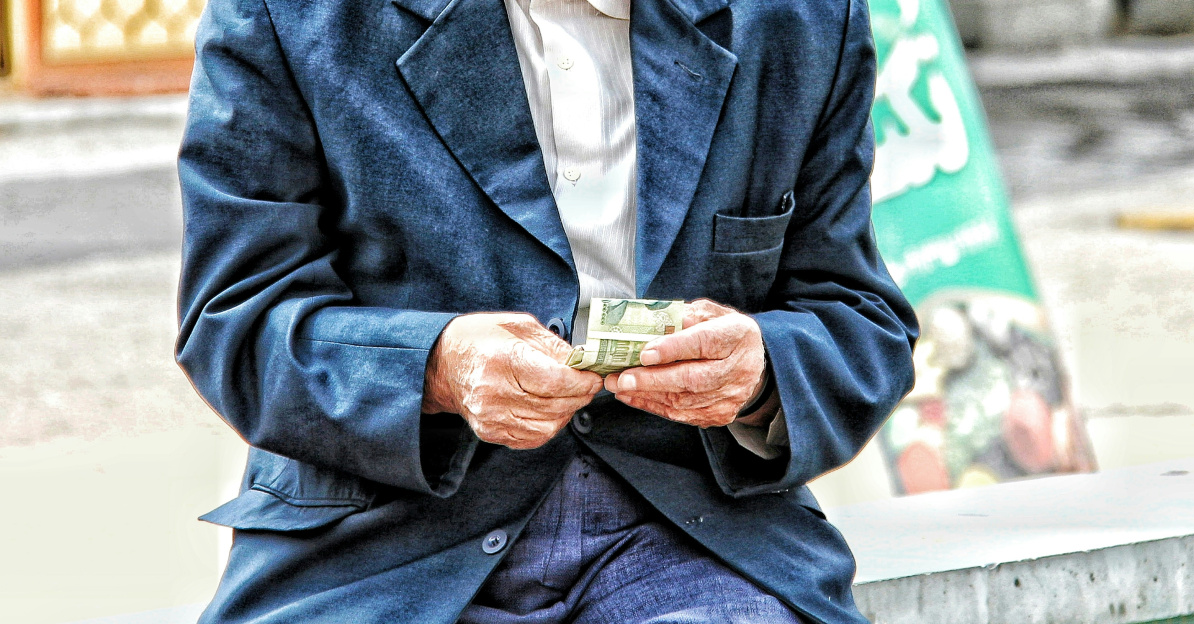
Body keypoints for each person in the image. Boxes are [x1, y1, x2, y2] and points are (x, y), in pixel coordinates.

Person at [175, 0, 918, 619]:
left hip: (696, 528)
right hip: (380, 544)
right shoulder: (287, 14)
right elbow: (235, 318)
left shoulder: (801, 18)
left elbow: (856, 316)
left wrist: (758, 374)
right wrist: (435, 369)